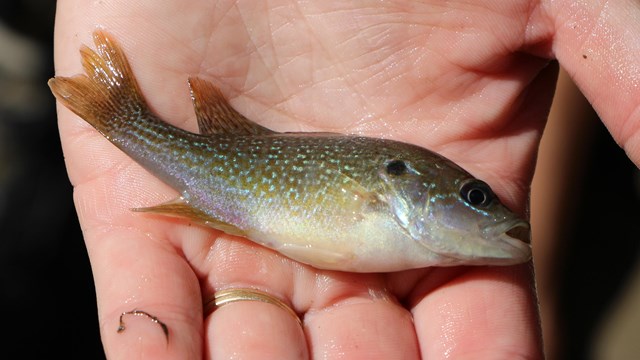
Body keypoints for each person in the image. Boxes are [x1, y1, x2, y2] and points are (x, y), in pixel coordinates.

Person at [51, 1, 640, 358]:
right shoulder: (390, 193)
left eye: (477, 196)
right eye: (473, 197)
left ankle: (120, 117)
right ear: (403, 185)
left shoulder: (412, 215)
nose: (489, 209)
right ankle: (119, 116)